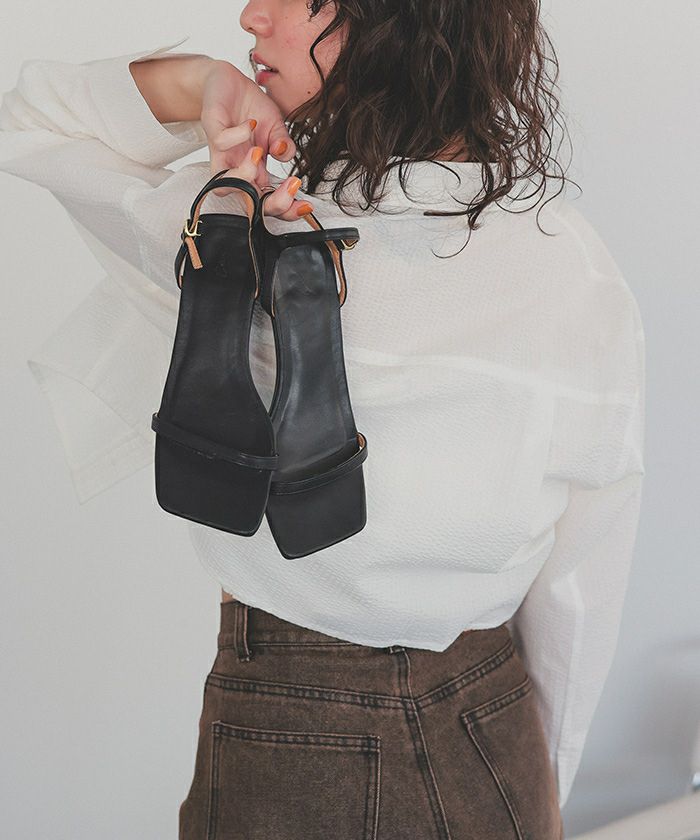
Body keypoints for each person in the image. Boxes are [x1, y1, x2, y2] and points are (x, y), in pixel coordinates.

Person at [0, 2, 645, 838]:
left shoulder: (229, 237)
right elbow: (579, 587)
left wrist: (201, 84)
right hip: (496, 724)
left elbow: (30, 118)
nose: (251, 14)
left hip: (292, 729)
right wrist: (544, 783)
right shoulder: (570, 262)